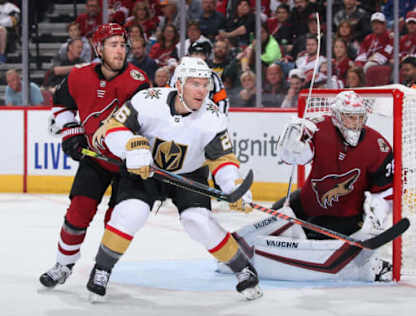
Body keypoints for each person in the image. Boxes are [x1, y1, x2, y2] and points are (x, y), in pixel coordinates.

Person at [85, 56, 262, 301]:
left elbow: (223, 159)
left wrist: (232, 185)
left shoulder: (213, 118)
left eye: (205, 85)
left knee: (197, 220)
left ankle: (242, 267)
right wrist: (131, 148)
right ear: (178, 84)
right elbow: (114, 127)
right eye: (195, 84)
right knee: (131, 212)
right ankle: (101, 269)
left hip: (189, 174)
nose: (202, 91)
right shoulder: (147, 101)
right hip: (144, 170)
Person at [220, 90, 394, 282]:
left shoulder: (378, 145)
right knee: (276, 215)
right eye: (349, 117)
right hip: (306, 204)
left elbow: (385, 192)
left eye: (359, 117)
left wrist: (377, 217)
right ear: (336, 116)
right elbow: (294, 157)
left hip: (343, 218)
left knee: (316, 246)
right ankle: (236, 253)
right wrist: (291, 143)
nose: (355, 122)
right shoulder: (318, 128)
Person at [39, 23, 150, 289]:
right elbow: (61, 105)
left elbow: (148, 123)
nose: (120, 50)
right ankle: (63, 265)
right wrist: (71, 132)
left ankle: (103, 268)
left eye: (123, 45)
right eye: (113, 45)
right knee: (77, 213)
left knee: (118, 222)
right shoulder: (79, 77)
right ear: (99, 48)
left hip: (126, 165)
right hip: (95, 159)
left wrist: (141, 156)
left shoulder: (138, 81)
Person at [169, 41, 230, 114]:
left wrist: (221, 119)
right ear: (190, 55)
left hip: (204, 116)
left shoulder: (212, 76)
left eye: (201, 54)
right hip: (180, 116)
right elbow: (169, 96)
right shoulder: (178, 74)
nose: (197, 57)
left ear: (206, 56)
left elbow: (222, 100)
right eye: (195, 54)